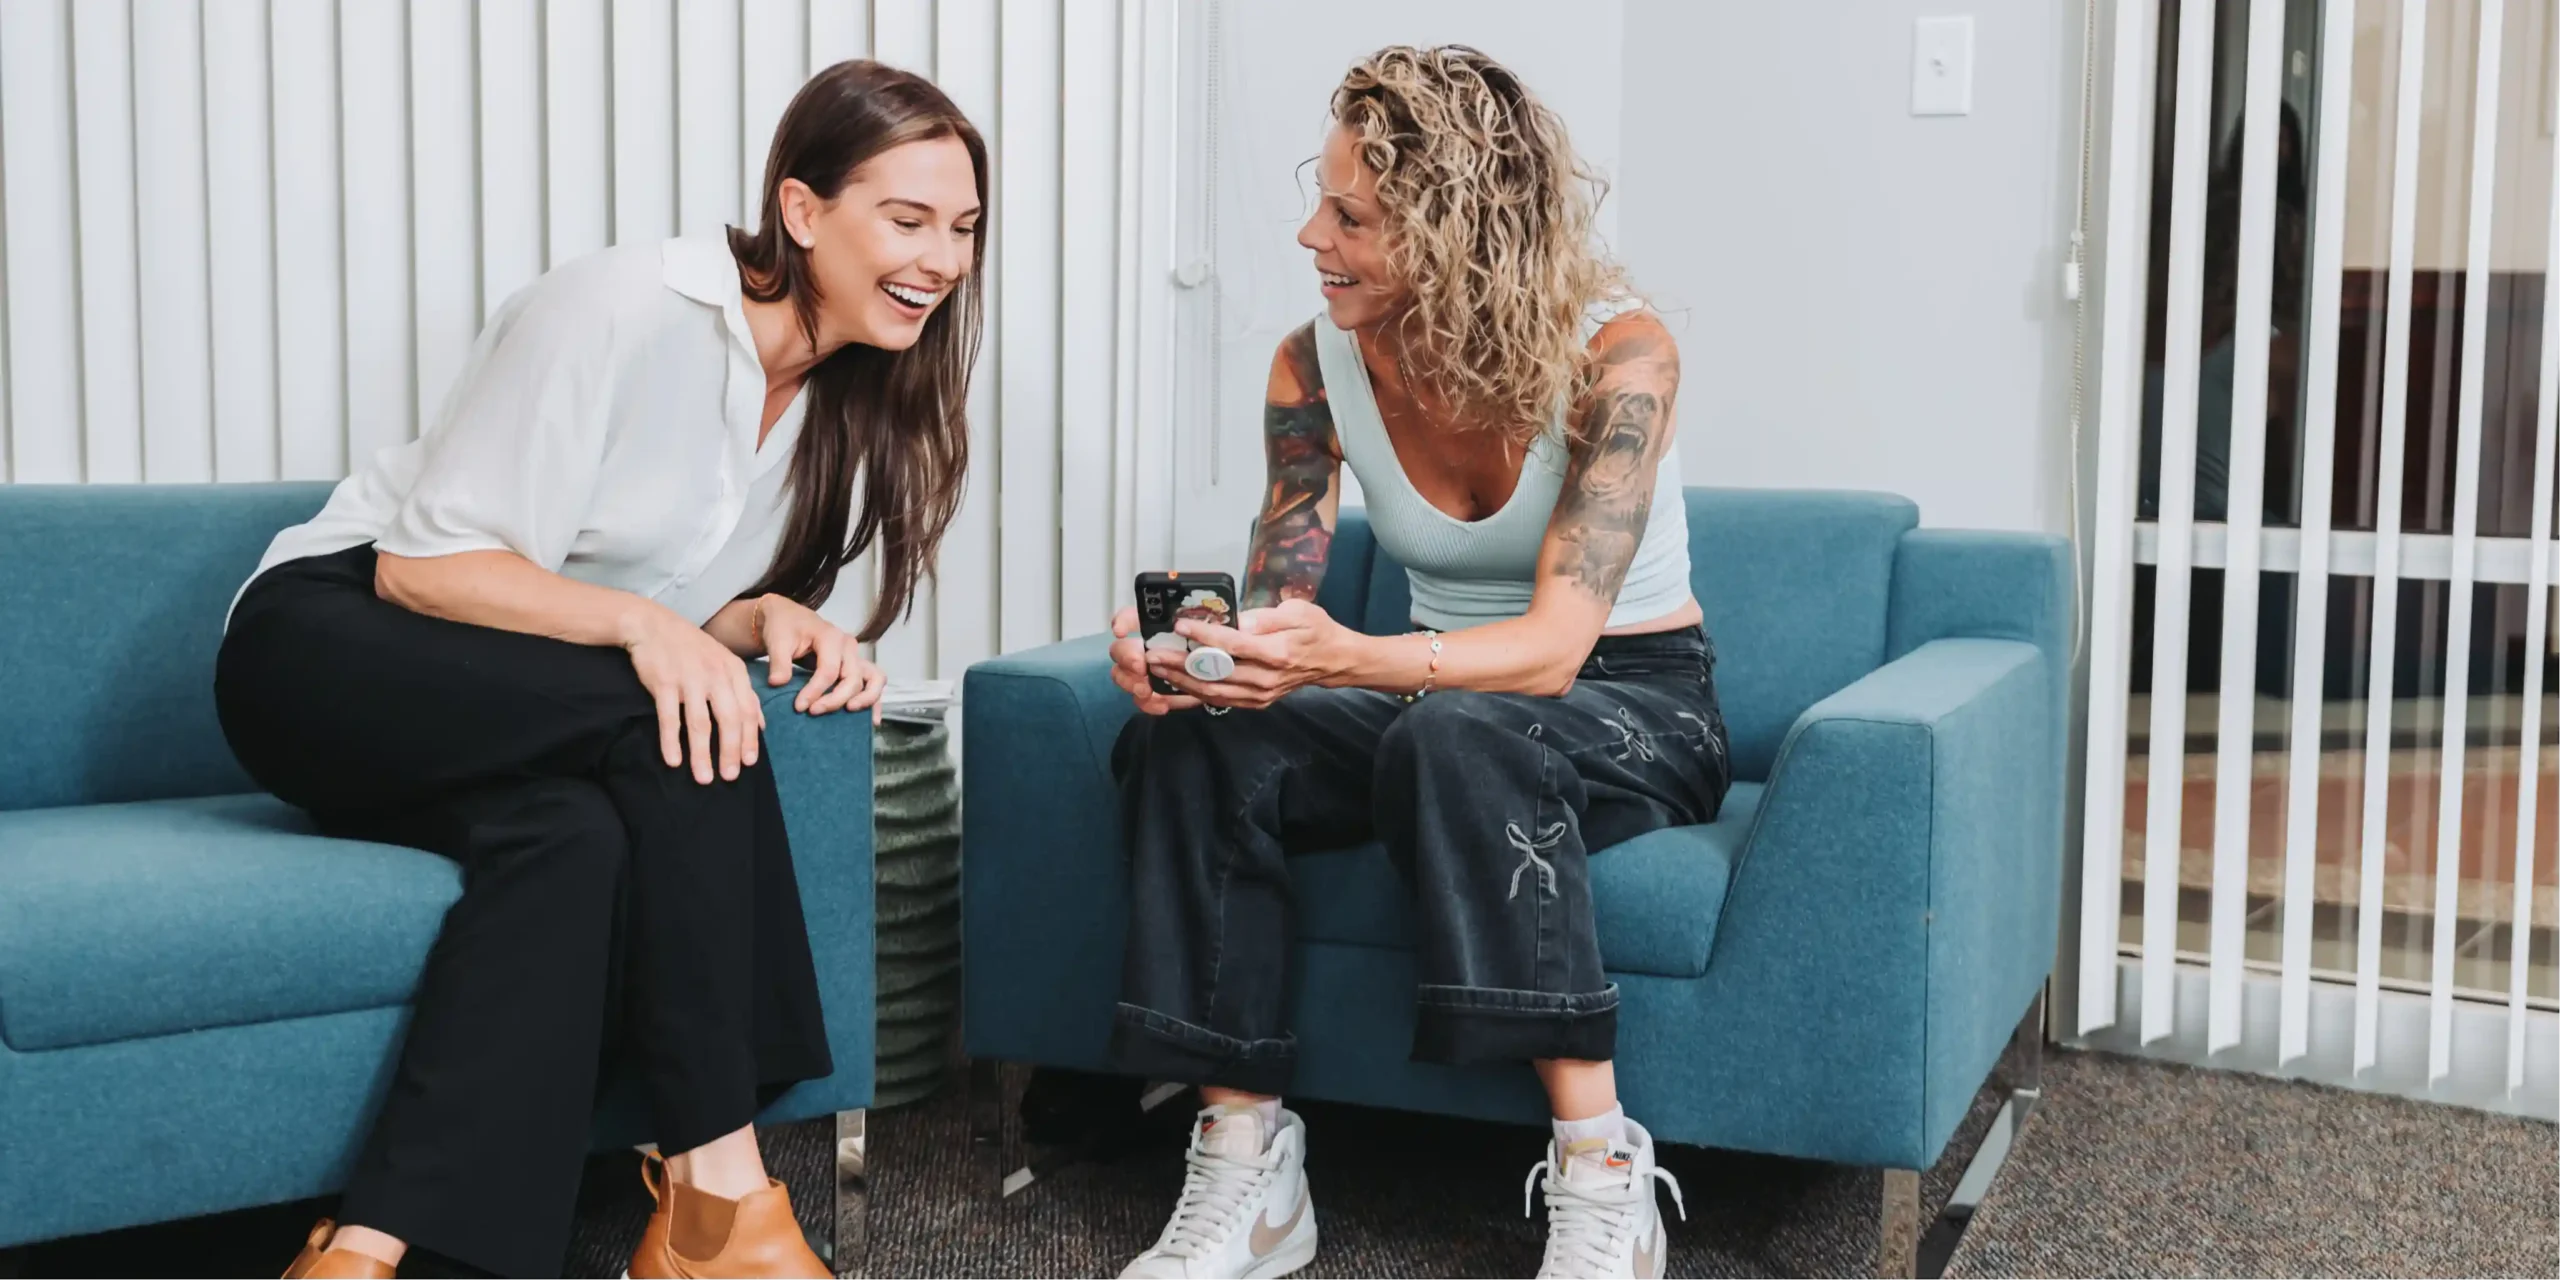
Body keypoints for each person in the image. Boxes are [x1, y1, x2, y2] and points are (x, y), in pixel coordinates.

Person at [214, 60, 984, 1280]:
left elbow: (650, 595)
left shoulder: (840, 411)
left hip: (504, 707)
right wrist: (650, 633)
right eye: (905, 218)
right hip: (328, 643)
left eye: (962, 228)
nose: (940, 258)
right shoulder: (624, 307)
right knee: (673, 713)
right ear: (800, 209)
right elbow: (426, 570)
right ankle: (717, 1201)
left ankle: (374, 1248)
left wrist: (754, 616)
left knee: (576, 840)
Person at [1104, 45, 1730, 1280]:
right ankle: (1243, 1160)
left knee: (1461, 729)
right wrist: (1215, 659)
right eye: (1319, 199)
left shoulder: (1622, 358)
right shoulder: (1312, 364)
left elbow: (1554, 650)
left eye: (1351, 214)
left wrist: (1354, 652)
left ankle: (1603, 1166)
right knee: (1193, 733)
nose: (1307, 234)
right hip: (1423, 697)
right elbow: (1286, 591)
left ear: (1459, 231)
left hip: (1634, 698)